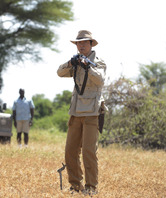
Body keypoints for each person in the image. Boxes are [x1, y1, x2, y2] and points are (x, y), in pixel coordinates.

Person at [57, 30, 107, 195]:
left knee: (88, 151)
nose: (81, 45)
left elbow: (100, 80)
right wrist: (71, 63)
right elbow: (59, 72)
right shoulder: (76, 62)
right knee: (70, 151)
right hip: (76, 112)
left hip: (92, 113)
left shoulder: (99, 63)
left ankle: (91, 187)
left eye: (85, 42)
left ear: (91, 44)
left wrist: (88, 67)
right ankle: (76, 186)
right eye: (79, 43)